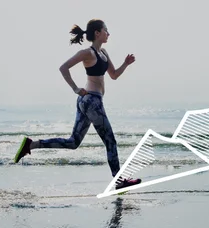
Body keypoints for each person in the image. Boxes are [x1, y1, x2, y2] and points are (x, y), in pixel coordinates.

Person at [13, 19, 141, 190]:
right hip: (91, 101)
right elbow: (63, 67)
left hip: (88, 102)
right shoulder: (87, 53)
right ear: (97, 33)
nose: (108, 34)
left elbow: (114, 75)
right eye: (106, 30)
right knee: (110, 140)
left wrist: (126, 63)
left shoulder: (104, 53)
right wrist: (75, 88)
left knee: (73, 142)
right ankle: (119, 181)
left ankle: (32, 144)